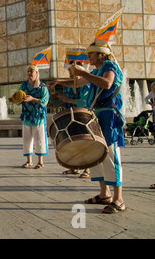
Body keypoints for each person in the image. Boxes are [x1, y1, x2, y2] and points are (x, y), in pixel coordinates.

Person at [47, 42, 126, 214]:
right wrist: (59, 81)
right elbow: (79, 82)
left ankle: (118, 199)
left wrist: (83, 73)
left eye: (91, 53)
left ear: (101, 55)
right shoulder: (96, 71)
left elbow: (107, 83)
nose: (88, 56)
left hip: (108, 114)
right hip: (96, 113)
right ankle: (104, 193)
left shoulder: (109, 66)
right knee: (96, 152)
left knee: (111, 153)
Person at [53, 61, 91, 179]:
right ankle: (75, 167)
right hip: (70, 117)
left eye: (73, 71)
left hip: (82, 117)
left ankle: (87, 168)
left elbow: (84, 102)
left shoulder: (85, 85)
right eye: (69, 71)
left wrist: (67, 99)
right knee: (73, 143)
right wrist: (56, 103)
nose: (70, 73)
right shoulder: (68, 86)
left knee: (84, 143)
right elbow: (66, 101)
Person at [18, 65, 50, 169]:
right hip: (27, 116)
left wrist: (32, 99)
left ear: (36, 73)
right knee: (26, 140)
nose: (29, 73)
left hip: (38, 117)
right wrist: (15, 99)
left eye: (31, 71)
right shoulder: (24, 85)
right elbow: (19, 97)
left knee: (39, 139)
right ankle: (29, 161)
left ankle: (40, 162)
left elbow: (44, 101)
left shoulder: (42, 86)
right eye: (28, 71)